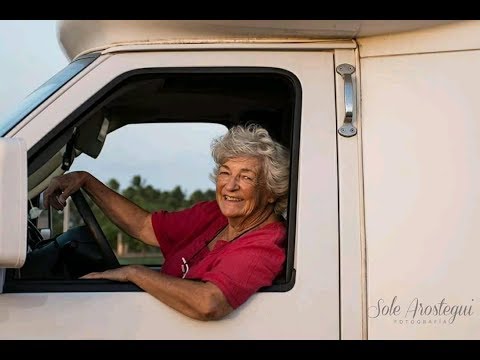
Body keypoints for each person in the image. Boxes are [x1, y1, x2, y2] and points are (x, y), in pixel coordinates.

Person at [44, 124, 290, 321]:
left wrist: (134, 273)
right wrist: (86, 180)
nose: (230, 185)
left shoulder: (265, 245)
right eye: (225, 172)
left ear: (271, 191)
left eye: (245, 177)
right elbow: (143, 226)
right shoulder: (215, 215)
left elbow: (208, 303)